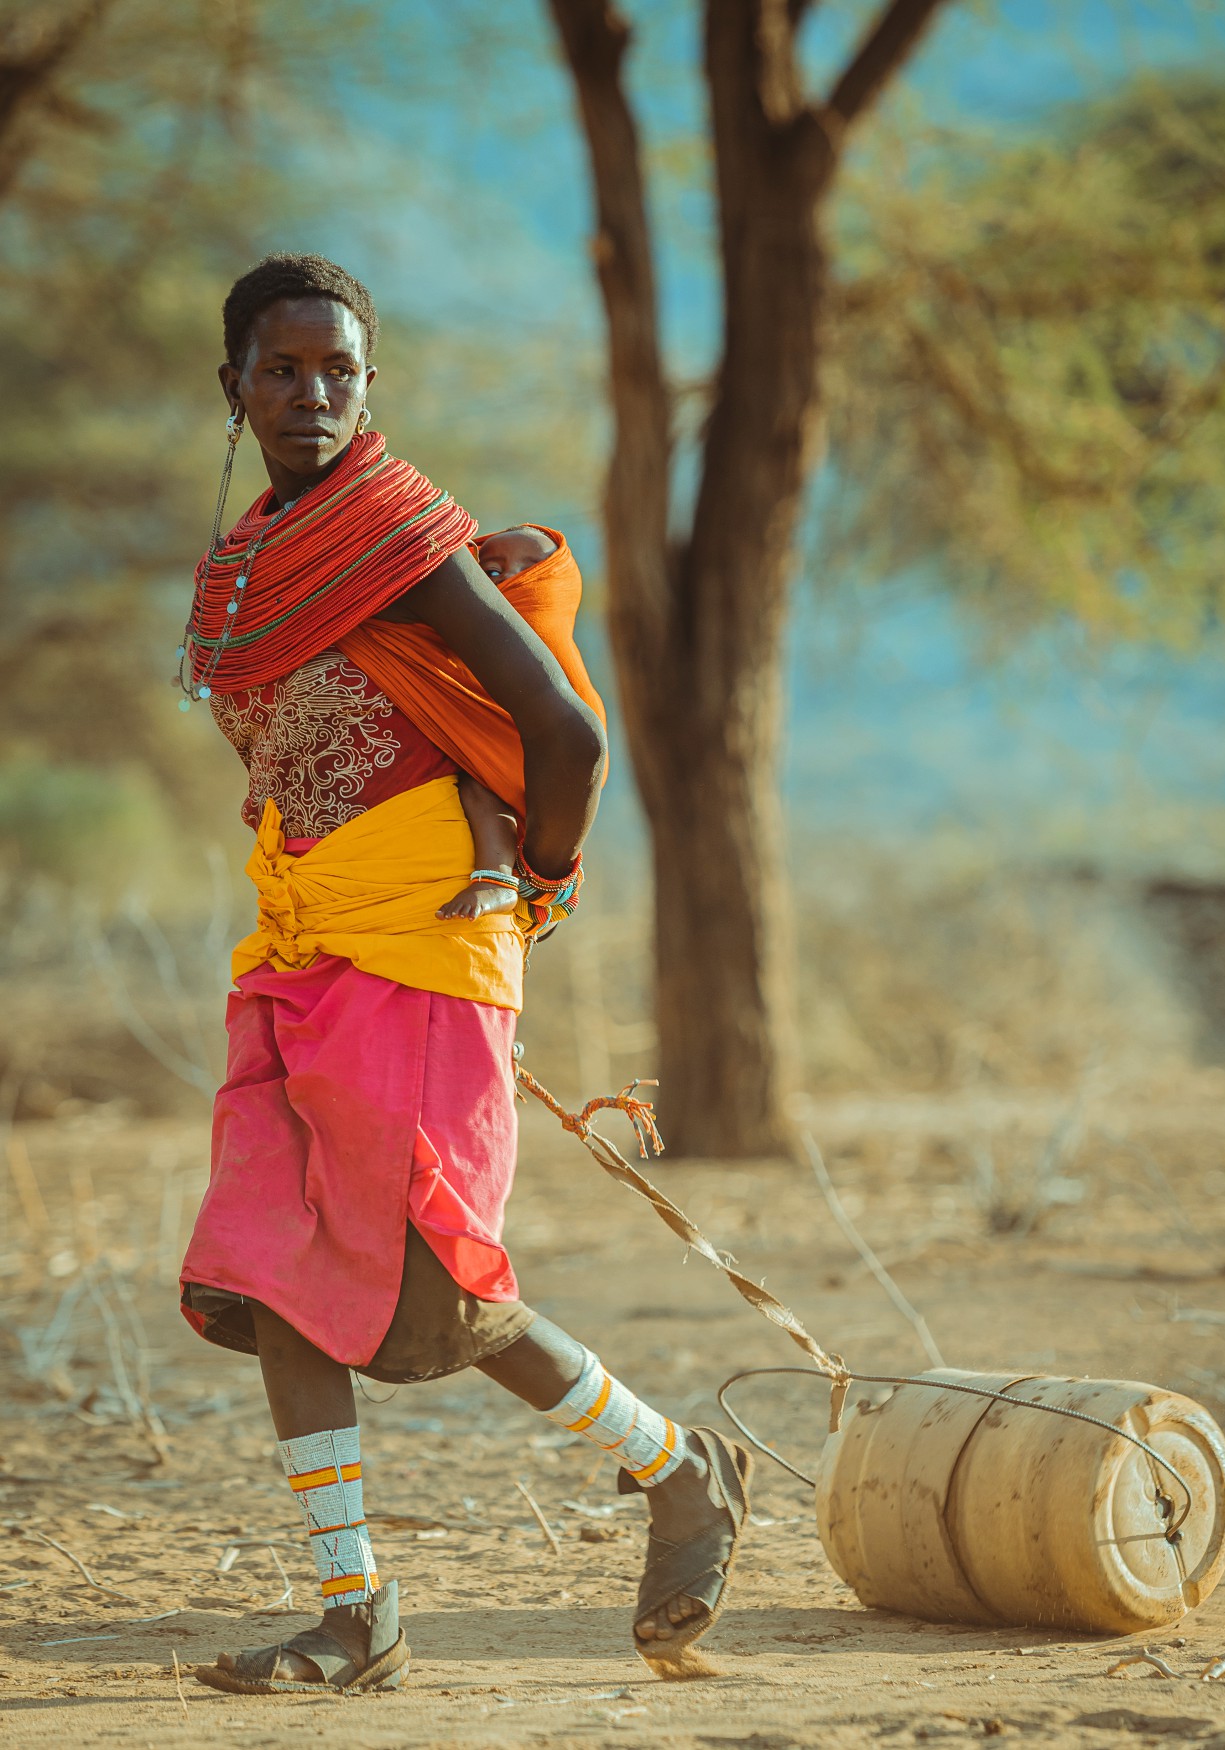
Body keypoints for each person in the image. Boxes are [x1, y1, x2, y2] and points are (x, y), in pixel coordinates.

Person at [177, 253, 751, 1696]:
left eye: (340, 371)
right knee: (270, 1267)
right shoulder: (243, 561)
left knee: (440, 1281)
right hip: (299, 942)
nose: (312, 394)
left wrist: (534, 883)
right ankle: (355, 1607)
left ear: (370, 388)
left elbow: (564, 731)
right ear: (231, 384)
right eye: (283, 369)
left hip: (426, 944)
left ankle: (673, 1465)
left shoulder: (393, 533)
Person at [435, 527, 559, 924]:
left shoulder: (553, 638)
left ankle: (499, 880)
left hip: (534, 773)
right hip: (480, 754)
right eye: (491, 573)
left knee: (480, 785)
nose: (512, 579)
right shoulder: (459, 639)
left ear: (559, 581)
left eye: (531, 568)